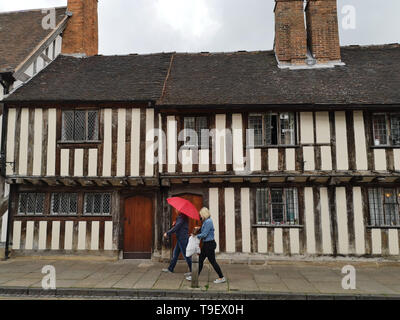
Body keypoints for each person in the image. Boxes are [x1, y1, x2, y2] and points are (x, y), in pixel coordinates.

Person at [186, 207, 226, 284]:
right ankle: (195, 276)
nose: (200, 216)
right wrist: (199, 229)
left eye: (201, 215)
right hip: (206, 244)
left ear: (204, 214)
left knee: (212, 262)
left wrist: (195, 236)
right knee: (201, 260)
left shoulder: (208, 222)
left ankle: (221, 277)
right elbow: (204, 230)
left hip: (209, 245)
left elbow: (204, 234)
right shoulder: (206, 221)